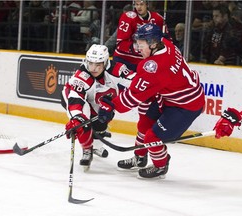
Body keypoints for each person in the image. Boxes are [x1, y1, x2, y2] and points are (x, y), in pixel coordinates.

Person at [98, 23, 205, 179]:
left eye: (141, 44)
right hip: (172, 95)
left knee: (152, 138)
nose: (137, 48)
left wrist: (111, 105)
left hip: (186, 106)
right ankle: (140, 158)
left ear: (154, 44)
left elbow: (132, 98)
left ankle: (161, 165)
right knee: (144, 124)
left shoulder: (154, 67)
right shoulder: (166, 44)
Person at [61, 44, 135, 170]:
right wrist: (77, 118)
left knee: (101, 122)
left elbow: (136, 81)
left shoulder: (117, 70)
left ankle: (95, 146)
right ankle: (87, 150)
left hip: (96, 99)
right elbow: (76, 99)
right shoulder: (83, 76)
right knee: (83, 122)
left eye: (98, 65)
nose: (93, 68)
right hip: (73, 98)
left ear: (106, 63)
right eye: (90, 63)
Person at [113, 0, 170, 71]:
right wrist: (140, 47)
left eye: (141, 4)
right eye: (137, 4)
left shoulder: (158, 19)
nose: (139, 7)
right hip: (124, 60)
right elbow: (120, 44)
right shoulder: (128, 17)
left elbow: (167, 41)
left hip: (145, 62)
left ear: (147, 4)